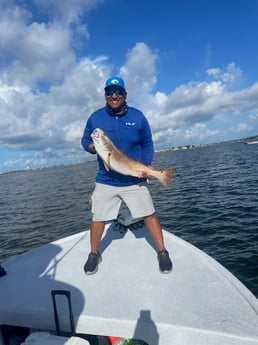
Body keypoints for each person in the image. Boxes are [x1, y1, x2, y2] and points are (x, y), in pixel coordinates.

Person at [81, 76, 172, 275]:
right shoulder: (95, 118)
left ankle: (162, 251)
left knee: (149, 213)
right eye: (110, 92)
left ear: (124, 94)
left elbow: (147, 143)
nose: (114, 95)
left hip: (133, 178)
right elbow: (85, 140)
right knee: (98, 217)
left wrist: (146, 166)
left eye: (118, 91)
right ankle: (94, 253)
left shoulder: (138, 116)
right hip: (107, 180)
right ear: (105, 95)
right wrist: (91, 146)